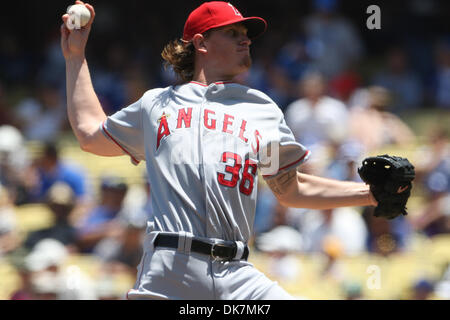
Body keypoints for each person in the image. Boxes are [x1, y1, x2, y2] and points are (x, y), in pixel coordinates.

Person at [61, 1, 377, 300]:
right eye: (233, 33)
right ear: (201, 43)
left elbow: (288, 188)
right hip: (171, 270)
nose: (246, 41)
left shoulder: (261, 111)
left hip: (237, 273)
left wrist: (371, 193)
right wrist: (75, 56)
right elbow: (90, 134)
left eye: (247, 35)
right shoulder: (157, 106)